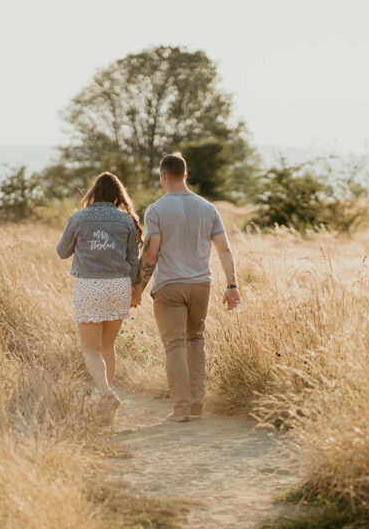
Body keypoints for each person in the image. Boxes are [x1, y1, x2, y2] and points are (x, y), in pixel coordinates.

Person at [131, 152, 241, 422]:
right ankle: (196, 402)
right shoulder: (208, 208)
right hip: (201, 284)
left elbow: (150, 253)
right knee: (196, 340)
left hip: (170, 286)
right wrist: (232, 284)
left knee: (175, 345)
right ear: (186, 175)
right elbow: (224, 248)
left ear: (163, 177)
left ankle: (180, 409)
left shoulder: (156, 210)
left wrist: (137, 289)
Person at [56, 172, 143, 420]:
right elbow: (132, 260)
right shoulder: (126, 221)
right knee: (108, 347)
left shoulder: (78, 218)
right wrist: (134, 289)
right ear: (118, 195)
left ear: (93, 193)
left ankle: (106, 394)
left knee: (90, 350)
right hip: (119, 286)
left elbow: (62, 252)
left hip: (91, 287)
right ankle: (107, 406)